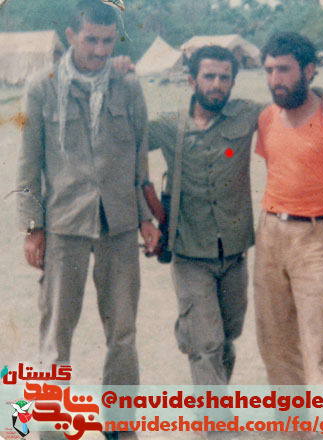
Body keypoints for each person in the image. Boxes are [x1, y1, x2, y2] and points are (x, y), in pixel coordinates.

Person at [145, 45, 323, 387]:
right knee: (206, 342)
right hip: (189, 252)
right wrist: (146, 216)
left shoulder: (249, 114)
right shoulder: (169, 125)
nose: (217, 84)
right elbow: (126, 150)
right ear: (192, 80)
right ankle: (213, 414)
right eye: (209, 76)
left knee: (227, 336)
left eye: (225, 78)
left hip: (234, 254)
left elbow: (290, 96)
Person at [15, 0, 160, 438]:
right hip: (64, 224)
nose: (99, 50)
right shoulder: (41, 87)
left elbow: (139, 159)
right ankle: (50, 427)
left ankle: (120, 426)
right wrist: (33, 228)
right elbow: (28, 165)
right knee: (56, 334)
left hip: (119, 223)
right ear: (71, 36)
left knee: (123, 332)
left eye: (108, 41)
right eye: (91, 40)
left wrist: (145, 218)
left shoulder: (127, 85)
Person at [254, 32, 323, 388]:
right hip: (269, 235)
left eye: (284, 69)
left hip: (316, 238)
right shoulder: (267, 117)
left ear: (309, 70)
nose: (275, 79)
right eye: (269, 70)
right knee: (275, 345)